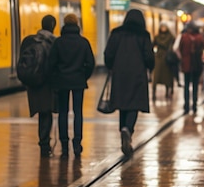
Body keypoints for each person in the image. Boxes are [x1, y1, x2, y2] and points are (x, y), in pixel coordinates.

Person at [104, 9, 155, 157]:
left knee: (122, 104)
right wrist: (150, 67)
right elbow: (149, 56)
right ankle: (128, 129)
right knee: (134, 103)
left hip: (119, 74)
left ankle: (123, 130)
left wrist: (111, 66)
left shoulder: (116, 33)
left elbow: (108, 53)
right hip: (137, 73)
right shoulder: (143, 35)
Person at [48, 13, 95, 158]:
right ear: (77, 24)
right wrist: (83, 76)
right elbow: (91, 63)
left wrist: (56, 77)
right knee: (77, 112)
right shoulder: (83, 42)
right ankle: (77, 143)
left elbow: (51, 63)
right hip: (78, 82)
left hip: (62, 81)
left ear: (64, 24)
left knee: (63, 113)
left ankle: (64, 144)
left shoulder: (58, 42)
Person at [20, 14, 57, 157]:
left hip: (34, 84)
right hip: (47, 83)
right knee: (46, 113)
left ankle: (43, 142)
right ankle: (44, 144)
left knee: (42, 113)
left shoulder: (30, 41)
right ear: (53, 26)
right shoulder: (53, 43)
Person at [177, 22, 204, 114]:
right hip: (197, 64)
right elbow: (203, 49)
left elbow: (179, 48)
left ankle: (186, 105)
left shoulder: (184, 37)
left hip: (186, 64)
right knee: (195, 85)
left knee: (186, 85)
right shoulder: (200, 37)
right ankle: (194, 104)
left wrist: (183, 58)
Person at [152, 23, 175, 100]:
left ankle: (168, 91)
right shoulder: (157, 37)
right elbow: (153, 45)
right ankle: (154, 92)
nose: (163, 28)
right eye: (162, 27)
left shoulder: (171, 37)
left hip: (166, 58)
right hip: (158, 58)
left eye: (164, 27)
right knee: (156, 76)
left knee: (167, 76)